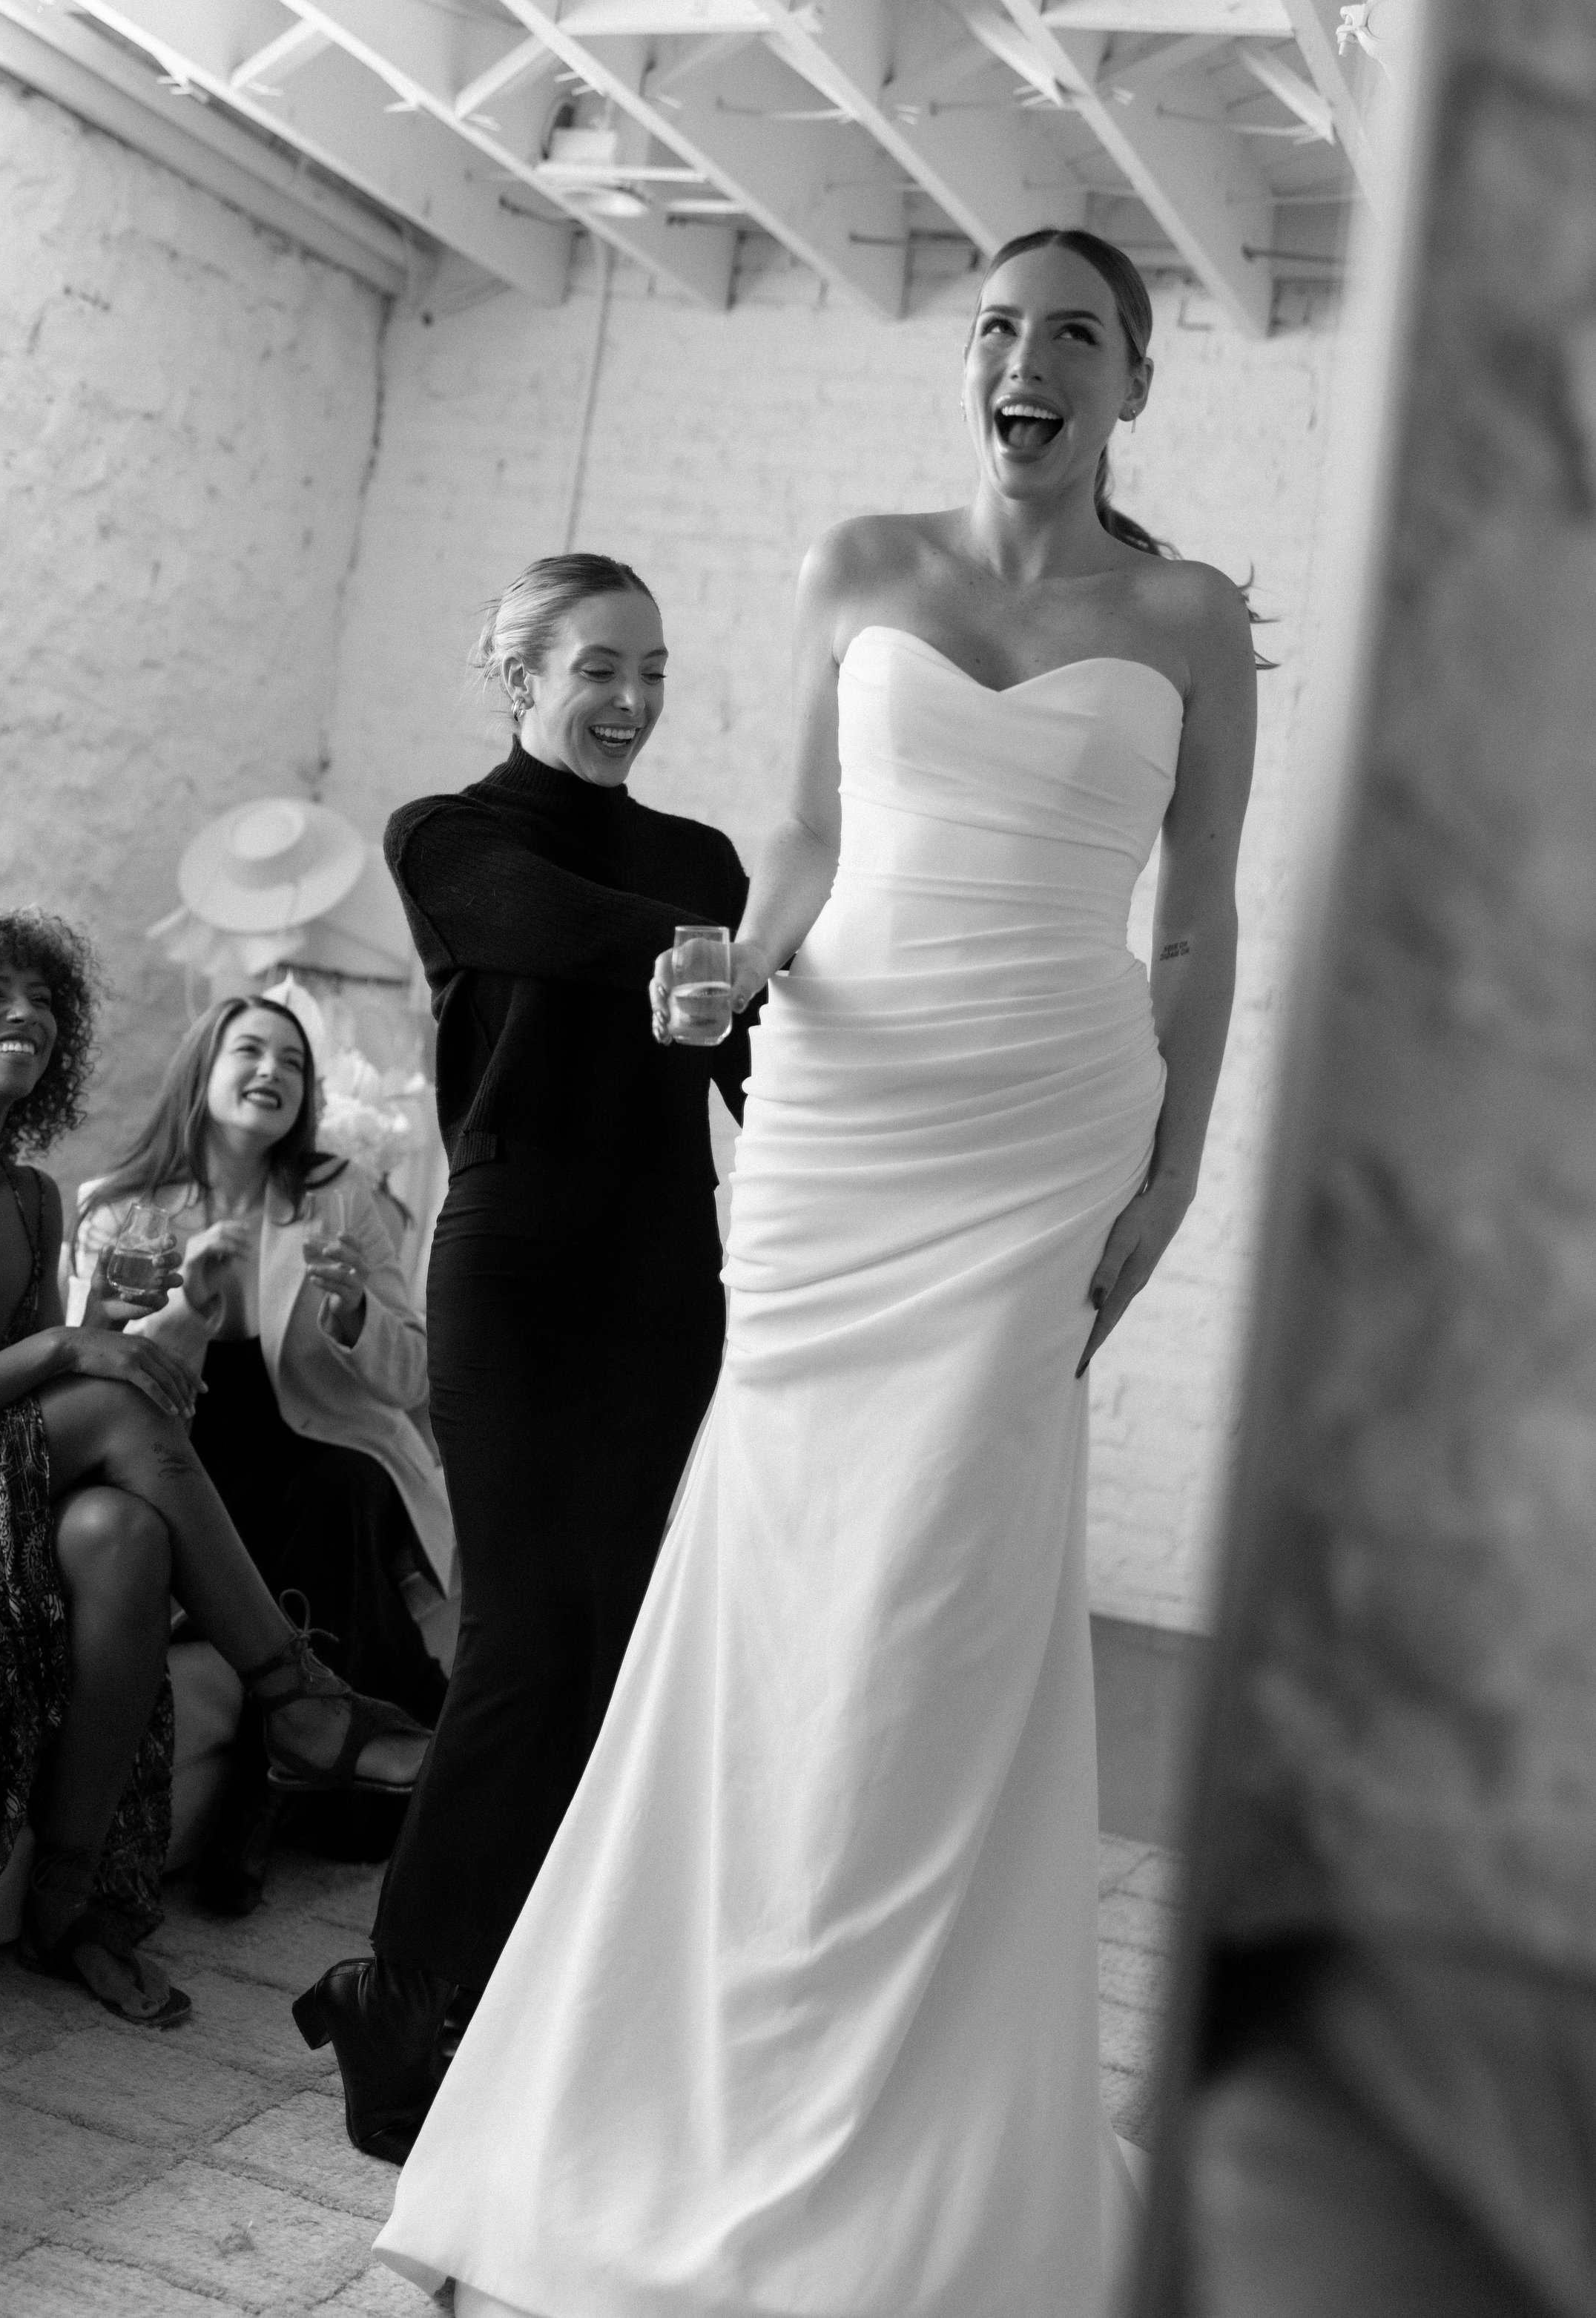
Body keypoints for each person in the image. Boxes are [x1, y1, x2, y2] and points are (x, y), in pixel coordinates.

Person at [370, 227, 1259, 2317]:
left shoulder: (1192, 617)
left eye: (1070, 333)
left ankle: (913, 2134)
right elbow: (799, 846)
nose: (1020, 359)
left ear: (1130, 382)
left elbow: (1196, 922)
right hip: (844, 1136)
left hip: (1043, 1133)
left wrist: (1177, 1160)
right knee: (773, 1598)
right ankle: (680, 2092)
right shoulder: (858, 559)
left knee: (938, 1606)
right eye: (992, 328)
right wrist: (734, 966)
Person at [0, 904, 430, 2030]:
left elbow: (14, 1401)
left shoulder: (32, 1198)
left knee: (124, 1537)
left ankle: (72, 1908)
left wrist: (117, 1327)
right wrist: (66, 1343)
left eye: (45, 998)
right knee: (108, 1401)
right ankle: (298, 1699)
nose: (28, 1014)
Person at [293, 553, 759, 2161]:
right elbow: (553, 932)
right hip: (511, 1263)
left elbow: (756, 1063)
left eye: (653, 671)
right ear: (519, 676)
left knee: (614, 1649)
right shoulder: (449, 836)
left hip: (661, 1278)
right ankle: (395, 1984)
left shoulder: (700, 853)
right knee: (517, 1643)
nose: (630, 701)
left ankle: (521, 1991)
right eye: (597, 669)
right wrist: (725, 946)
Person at [74, 992, 453, 1915]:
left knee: (339, 1492)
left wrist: (356, 1311)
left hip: (323, 1451)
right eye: (250, 1050)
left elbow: (410, 1377)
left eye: (292, 1062)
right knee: (300, 1514)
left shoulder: (342, 1192)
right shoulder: (119, 1210)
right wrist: (188, 1306)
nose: (272, 1072)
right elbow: (93, 1376)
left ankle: (257, 1789)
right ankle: (372, 1741)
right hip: (180, 1456)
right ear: (202, 1071)